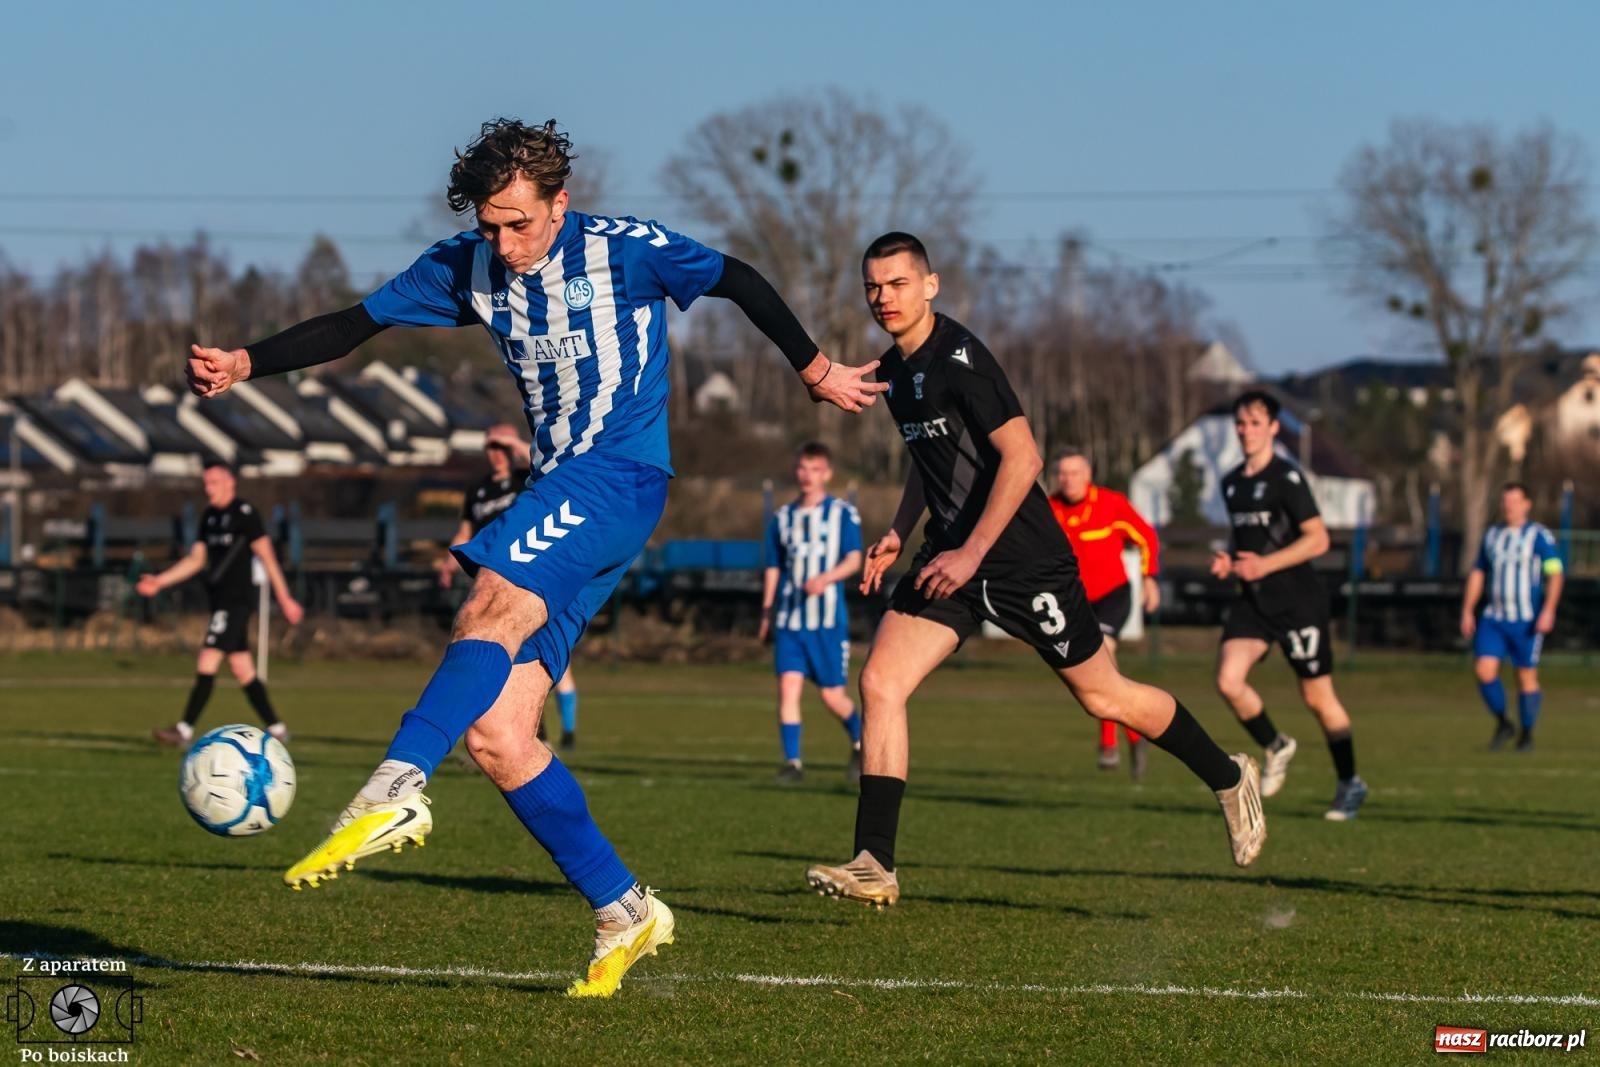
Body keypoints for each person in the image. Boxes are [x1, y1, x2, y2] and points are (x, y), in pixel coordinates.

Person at [184, 118, 883, 996]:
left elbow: (736, 277)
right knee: (501, 734)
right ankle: (624, 907)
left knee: (489, 602)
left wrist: (815, 368)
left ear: (560, 202)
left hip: (619, 474)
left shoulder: (626, 251)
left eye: (519, 222)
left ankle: (393, 784)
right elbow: (354, 326)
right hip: (563, 488)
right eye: (491, 226)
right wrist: (246, 361)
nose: (505, 244)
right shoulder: (466, 266)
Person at [804, 233, 1263, 908]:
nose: (884, 297)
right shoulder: (896, 373)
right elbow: (929, 462)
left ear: (930, 285)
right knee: (880, 681)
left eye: (898, 283)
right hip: (950, 559)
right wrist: (900, 532)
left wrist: (971, 553)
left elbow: (1025, 459)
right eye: (873, 286)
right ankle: (876, 861)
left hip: (1021, 560)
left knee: (1103, 697)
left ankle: (1229, 776)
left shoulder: (962, 360)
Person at [1212, 390, 1367, 821]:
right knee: (1228, 680)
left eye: (1255, 423)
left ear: (1274, 428)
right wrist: (1229, 560)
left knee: (1317, 697)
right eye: (1241, 423)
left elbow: (1318, 539)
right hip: (1254, 601)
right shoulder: (1231, 482)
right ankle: (1276, 744)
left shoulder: (1287, 478)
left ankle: (1350, 782)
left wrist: (1264, 565)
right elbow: (1246, 540)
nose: (1246, 431)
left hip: (1298, 602)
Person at [139, 463, 304, 747]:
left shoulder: (244, 514)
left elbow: (267, 557)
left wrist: (284, 597)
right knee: (242, 668)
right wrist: (160, 581)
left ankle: (184, 729)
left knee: (208, 658)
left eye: (214, 482)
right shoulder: (209, 517)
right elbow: (196, 560)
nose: (208, 489)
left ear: (230, 483)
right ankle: (278, 728)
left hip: (236, 601)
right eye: (206, 483)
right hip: (219, 601)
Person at [445, 423, 580, 750]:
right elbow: (465, 529)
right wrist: (448, 560)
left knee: (548, 657)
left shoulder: (526, 479)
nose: (496, 453)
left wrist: (515, 442)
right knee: (507, 654)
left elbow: (549, 463)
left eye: (501, 447)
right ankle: (533, 734)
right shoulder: (478, 490)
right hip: (491, 578)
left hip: (530, 575)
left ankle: (567, 733)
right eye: (491, 447)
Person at [1048, 448, 1162, 778]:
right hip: (1075, 602)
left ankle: (1108, 742)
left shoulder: (1111, 504)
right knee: (1088, 674)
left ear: (1088, 475)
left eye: (1074, 473)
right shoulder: (1050, 509)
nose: (1068, 479)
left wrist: (1149, 579)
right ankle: (1135, 735)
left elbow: (1146, 537)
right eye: (1062, 473)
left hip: (1113, 596)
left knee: (1104, 655)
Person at [759, 441, 864, 784]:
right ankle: (793, 763)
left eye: (815, 469)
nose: (807, 475)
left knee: (832, 697)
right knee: (788, 688)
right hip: (789, 621)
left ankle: (861, 742)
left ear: (827, 474)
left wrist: (826, 578)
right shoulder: (782, 518)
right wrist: (767, 612)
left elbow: (854, 559)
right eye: (803, 468)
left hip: (827, 622)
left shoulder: (842, 514)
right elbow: (773, 567)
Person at [1460, 483, 1564, 752]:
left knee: (1525, 677)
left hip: (1526, 619)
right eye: (1505, 501)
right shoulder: (1492, 535)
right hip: (1494, 617)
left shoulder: (1539, 536)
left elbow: (1555, 573)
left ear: (1527, 504)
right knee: (1484, 670)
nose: (1509, 506)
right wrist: (1468, 609)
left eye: (1515, 501)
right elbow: (1478, 572)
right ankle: (1504, 722)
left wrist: (1549, 609)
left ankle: (1527, 733)